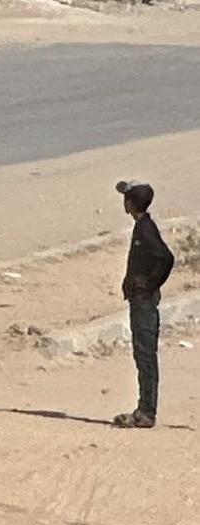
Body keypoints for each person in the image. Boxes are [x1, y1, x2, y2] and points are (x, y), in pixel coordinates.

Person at [117, 179, 173, 429]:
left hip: (144, 302)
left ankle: (146, 411)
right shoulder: (143, 226)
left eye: (125, 198)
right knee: (143, 354)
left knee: (145, 354)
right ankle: (144, 408)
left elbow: (165, 258)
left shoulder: (146, 230)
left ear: (130, 203)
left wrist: (150, 285)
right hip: (141, 299)